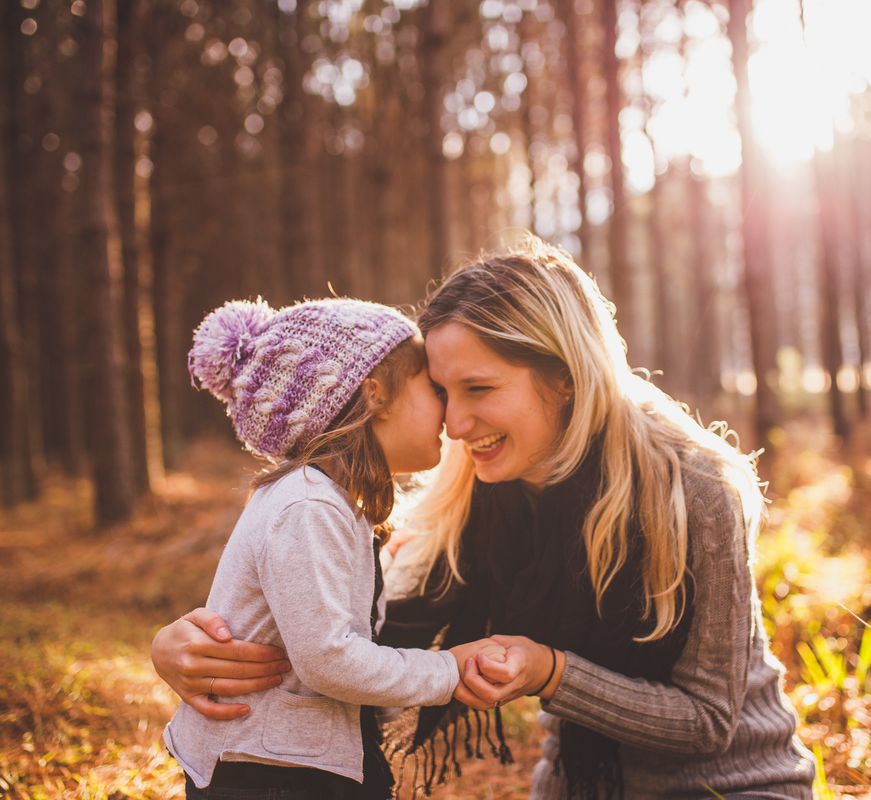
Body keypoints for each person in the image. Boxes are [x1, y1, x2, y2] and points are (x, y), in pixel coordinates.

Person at [153, 238, 817, 800]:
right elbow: (353, 638)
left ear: (565, 377)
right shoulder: (472, 489)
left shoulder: (693, 488)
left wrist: (551, 671)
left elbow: (707, 722)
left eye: (480, 389)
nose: (455, 424)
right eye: (442, 392)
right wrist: (184, 646)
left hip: (737, 784)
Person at [167, 297, 508, 800]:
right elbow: (328, 660)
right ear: (376, 398)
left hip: (294, 760)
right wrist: (448, 670)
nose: (449, 411)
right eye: (433, 388)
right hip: (273, 775)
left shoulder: (328, 503)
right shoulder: (309, 506)